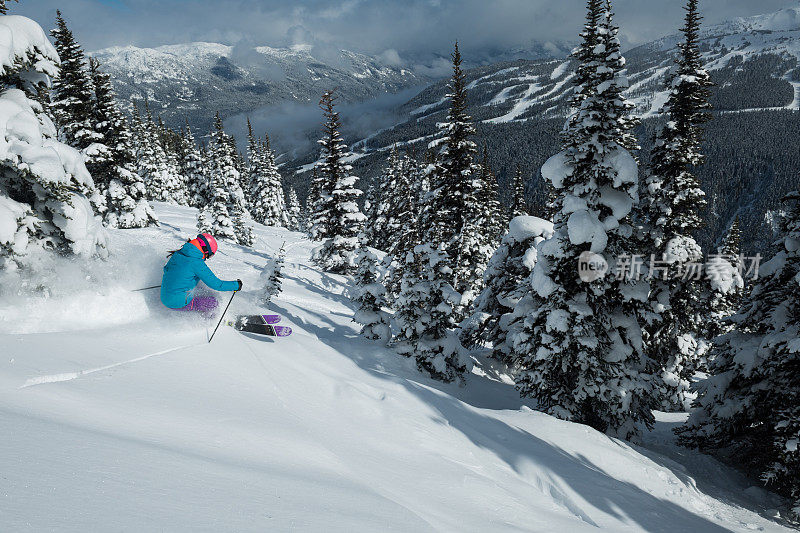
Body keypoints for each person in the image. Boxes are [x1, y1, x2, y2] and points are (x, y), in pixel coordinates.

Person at [160, 233, 242, 313]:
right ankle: (211, 323)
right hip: (178, 302)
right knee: (213, 303)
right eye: (210, 255)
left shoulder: (179, 254)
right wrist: (236, 285)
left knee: (201, 289)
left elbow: (170, 271)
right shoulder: (196, 263)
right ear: (206, 250)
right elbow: (217, 284)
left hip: (165, 296)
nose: (208, 258)